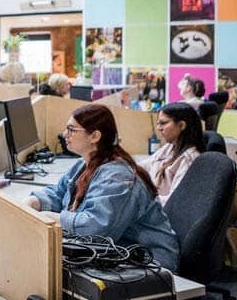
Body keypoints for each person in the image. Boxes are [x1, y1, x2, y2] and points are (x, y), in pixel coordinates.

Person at [21, 104, 179, 272]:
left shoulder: (117, 177)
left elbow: (96, 229)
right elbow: (60, 193)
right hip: (118, 253)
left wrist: (50, 217)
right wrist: (32, 201)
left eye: (72, 130)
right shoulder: (85, 163)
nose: (65, 134)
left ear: (95, 136)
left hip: (149, 263)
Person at [138, 102, 204, 206]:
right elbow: (145, 165)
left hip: (161, 211)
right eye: (158, 123)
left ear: (181, 125)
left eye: (163, 123)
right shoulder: (170, 147)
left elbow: (173, 201)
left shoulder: (189, 160)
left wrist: (140, 199)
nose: (159, 128)